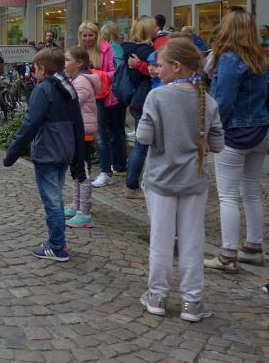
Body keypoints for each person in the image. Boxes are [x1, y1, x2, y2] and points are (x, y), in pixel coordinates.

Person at [137, 38, 223, 322]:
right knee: (192, 241)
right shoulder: (207, 101)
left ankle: (157, 296)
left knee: (161, 241)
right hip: (194, 180)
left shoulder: (157, 97)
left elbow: (143, 138)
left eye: (160, 65)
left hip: (161, 179)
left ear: (175, 66)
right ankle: (191, 302)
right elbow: (218, 144)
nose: (156, 70)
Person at [3, 47, 84, 262]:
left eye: (35, 68)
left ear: (41, 68)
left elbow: (30, 123)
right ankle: (57, 242)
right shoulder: (67, 87)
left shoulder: (43, 89)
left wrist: (12, 153)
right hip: (65, 149)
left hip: (48, 150)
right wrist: (79, 155)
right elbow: (78, 123)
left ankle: (57, 246)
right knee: (56, 197)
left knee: (52, 201)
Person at [204, 8, 269, 274]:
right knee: (251, 192)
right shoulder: (260, 58)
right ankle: (254, 246)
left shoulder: (230, 58)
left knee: (228, 196)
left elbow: (223, 100)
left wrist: (211, 130)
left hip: (234, 133)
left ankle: (227, 254)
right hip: (260, 130)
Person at [79, 22, 125, 188]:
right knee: (86, 135)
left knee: (100, 135)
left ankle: (106, 172)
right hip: (83, 96)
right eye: (84, 35)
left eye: (91, 35)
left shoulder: (106, 50)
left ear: (97, 35)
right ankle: (87, 170)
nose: (87, 39)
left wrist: (97, 75)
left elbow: (115, 72)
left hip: (100, 97)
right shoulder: (79, 51)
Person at [122, 16, 160, 199]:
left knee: (140, 143)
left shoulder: (130, 49)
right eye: (153, 27)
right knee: (141, 145)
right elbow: (155, 72)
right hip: (144, 99)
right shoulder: (146, 51)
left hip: (136, 99)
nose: (156, 29)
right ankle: (131, 185)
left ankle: (132, 181)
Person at [63, 47, 100, 229]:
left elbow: (72, 104)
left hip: (83, 131)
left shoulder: (81, 82)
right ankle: (76, 205)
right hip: (78, 131)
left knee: (82, 171)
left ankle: (84, 213)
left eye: (67, 60)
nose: (64, 63)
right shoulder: (76, 80)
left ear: (79, 63)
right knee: (76, 169)